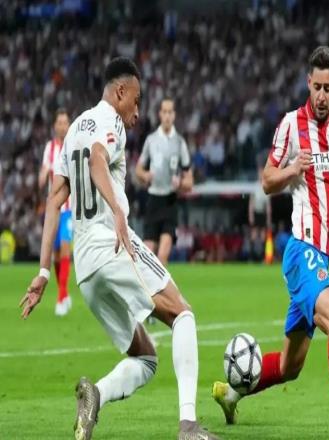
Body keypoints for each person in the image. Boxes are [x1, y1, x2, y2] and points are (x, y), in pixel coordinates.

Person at [20, 57, 218, 440]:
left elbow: (53, 200)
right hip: (111, 244)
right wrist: (118, 213)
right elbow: (98, 159)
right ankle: (189, 426)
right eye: (136, 100)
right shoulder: (109, 120)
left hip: (85, 269)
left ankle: (96, 394)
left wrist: (43, 271)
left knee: (145, 358)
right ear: (120, 91)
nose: (137, 112)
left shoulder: (74, 129)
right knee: (183, 315)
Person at [213, 46, 329, 437]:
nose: (321, 96)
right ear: (308, 84)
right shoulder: (290, 125)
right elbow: (266, 181)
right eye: (316, 87)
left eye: (327, 88)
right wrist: (290, 170)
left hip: (320, 256)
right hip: (302, 251)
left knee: (290, 366)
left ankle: (230, 393)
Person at [136, 98, 193, 266]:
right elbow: (138, 169)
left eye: (170, 112)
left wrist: (180, 183)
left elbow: (190, 181)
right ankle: (148, 284)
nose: (167, 116)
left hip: (170, 202)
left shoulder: (180, 142)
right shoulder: (151, 140)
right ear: (160, 114)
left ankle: (161, 284)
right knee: (147, 257)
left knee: (162, 256)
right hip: (153, 200)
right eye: (164, 112)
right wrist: (145, 175)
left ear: (174, 115)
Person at [38, 109, 73, 316]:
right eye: (59, 122)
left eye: (65, 122)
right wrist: (43, 176)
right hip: (54, 209)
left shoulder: (73, 145)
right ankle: (65, 292)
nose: (62, 126)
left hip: (69, 208)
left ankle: (60, 298)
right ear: (55, 126)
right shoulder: (49, 148)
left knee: (66, 249)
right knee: (57, 255)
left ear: (69, 125)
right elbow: (43, 173)